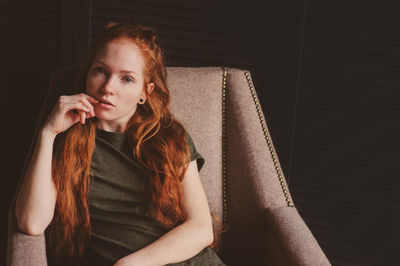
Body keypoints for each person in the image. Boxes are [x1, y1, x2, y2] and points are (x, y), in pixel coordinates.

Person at [14, 21, 226, 266]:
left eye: (127, 79)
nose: (107, 88)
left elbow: (201, 228)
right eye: (101, 71)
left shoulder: (168, 137)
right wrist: (48, 133)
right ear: (88, 73)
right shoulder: (66, 138)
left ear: (144, 92)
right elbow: (31, 222)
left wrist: (129, 264)